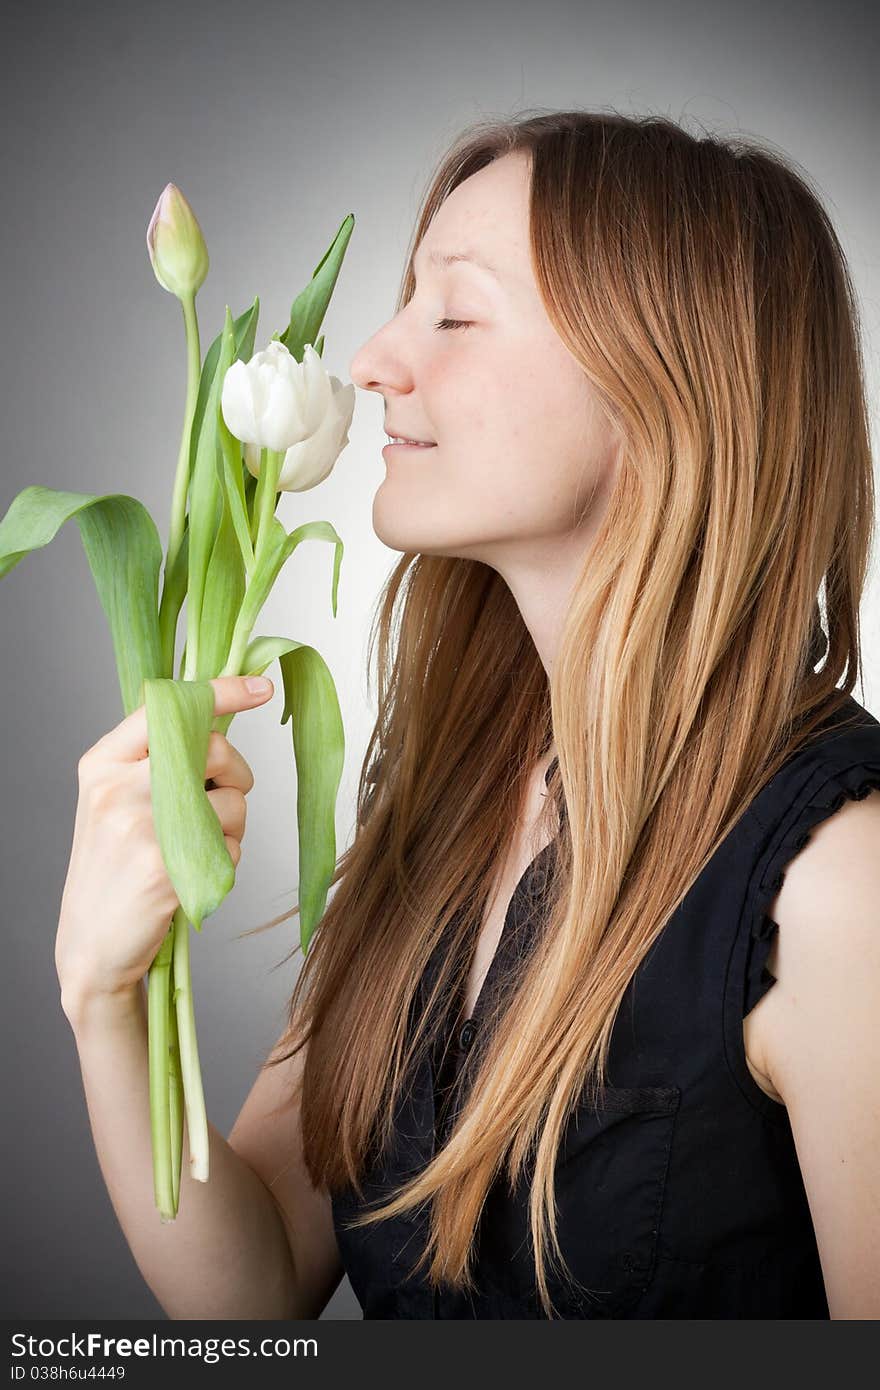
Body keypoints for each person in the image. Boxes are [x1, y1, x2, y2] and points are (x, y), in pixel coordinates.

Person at [56, 110, 880, 1321]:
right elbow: (254, 1289)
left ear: (661, 390)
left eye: (454, 312)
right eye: (404, 302)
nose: (377, 358)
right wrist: (103, 999)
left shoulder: (836, 883)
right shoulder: (441, 799)